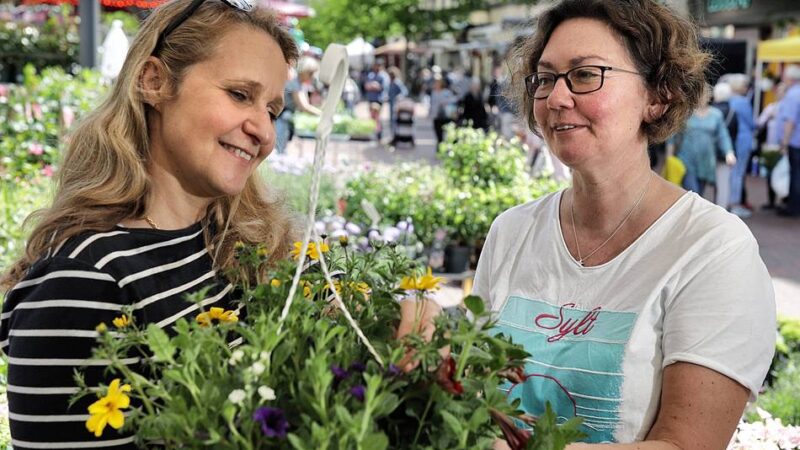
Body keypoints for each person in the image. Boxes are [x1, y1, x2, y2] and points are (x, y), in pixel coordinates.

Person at [477, 0, 775, 447]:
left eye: (585, 74)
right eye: (544, 78)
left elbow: (685, 444)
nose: (557, 98)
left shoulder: (712, 249)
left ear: (658, 96)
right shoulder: (512, 232)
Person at [666, 84, 736, 197]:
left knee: (699, 194)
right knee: (693, 192)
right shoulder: (686, 114)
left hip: (706, 162)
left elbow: (723, 136)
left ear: (709, 97)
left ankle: (692, 214)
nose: (701, 98)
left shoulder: (716, 115)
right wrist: (669, 156)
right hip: (686, 159)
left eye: (704, 95)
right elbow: (672, 135)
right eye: (698, 95)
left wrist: (729, 152)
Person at [274, 56, 322, 154]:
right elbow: (304, 106)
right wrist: (323, 114)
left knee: (281, 148)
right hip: (280, 119)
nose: (312, 77)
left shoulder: (300, 84)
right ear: (304, 71)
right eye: (311, 73)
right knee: (278, 149)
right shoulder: (295, 84)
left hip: (284, 119)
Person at [727, 74, 757, 218]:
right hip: (743, 139)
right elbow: (751, 123)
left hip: (732, 138)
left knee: (731, 172)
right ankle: (735, 204)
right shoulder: (743, 102)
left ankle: (728, 201)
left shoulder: (729, 99)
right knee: (738, 173)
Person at [711, 81, 738, 210]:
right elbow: (734, 133)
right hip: (725, 154)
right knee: (723, 184)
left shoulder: (711, 111)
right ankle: (721, 209)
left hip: (710, 152)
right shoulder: (733, 112)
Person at [777, 64, 800, 217]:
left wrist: (784, 142)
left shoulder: (793, 95)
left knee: (795, 174)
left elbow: (790, 122)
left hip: (796, 142)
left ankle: (793, 207)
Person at [429, 74, 457, 145]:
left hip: (446, 117)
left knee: (447, 134)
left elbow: (454, 100)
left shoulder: (446, 92)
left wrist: (446, 102)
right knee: (439, 136)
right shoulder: (433, 93)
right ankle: (439, 150)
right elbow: (432, 104)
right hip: (436, 116)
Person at [386, 66, 408, 139]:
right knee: (392, 120)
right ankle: (393, 135)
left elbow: (404, 92)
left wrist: (399, 97)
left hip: (396, 104)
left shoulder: (397, 82)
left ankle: (395, 135)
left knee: (395, 119)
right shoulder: (390, 82)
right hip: (391, 103)